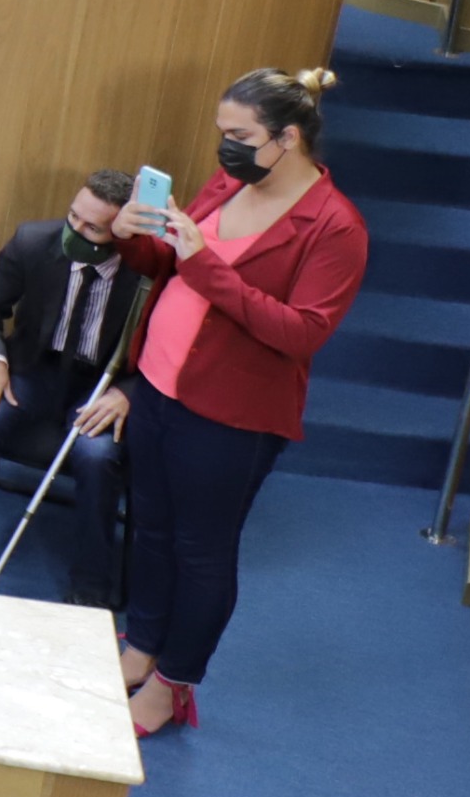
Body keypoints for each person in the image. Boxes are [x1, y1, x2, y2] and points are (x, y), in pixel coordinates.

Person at [108, 68, 367, 736]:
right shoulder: (229, 183)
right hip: (158, 385)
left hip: (231, 416)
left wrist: (204, 266)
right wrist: (135, 234)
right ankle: (141, 647)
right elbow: (169, 263)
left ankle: (173, 685)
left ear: (288, 138)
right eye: (222, 132)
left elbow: (301, 331)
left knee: (201, 551)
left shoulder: (335, 227)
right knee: (150, 527)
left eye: (240, 136)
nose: (226, 147)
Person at [0, 172, 141, 602]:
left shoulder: (148, 273)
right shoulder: (33, 241)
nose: (74, 232)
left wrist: (128, 393)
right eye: (73, 217)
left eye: (92, 228)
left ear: (123, 234)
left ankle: (91, 586)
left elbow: (172, 350)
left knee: (97, 456)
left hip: (102, 384)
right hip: (34, 369)